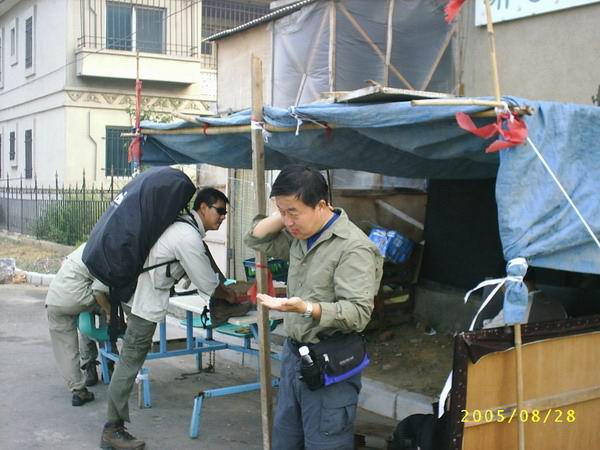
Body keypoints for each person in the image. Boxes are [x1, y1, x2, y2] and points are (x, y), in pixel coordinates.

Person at [244, 165, 383, 450]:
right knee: (286, 440)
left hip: (331, 360)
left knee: (325, 442)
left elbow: (358, 314)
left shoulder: (353, 248)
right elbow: (255, 237)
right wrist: (286, 211)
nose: (287, 221)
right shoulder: (300, 237)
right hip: (294, 357)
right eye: (281, 212)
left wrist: (307, 309)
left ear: (321, 206)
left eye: (293, 212)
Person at [100, 187, 246, 450]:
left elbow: (194, 272)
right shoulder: (187, 236)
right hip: (145, 301)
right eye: (219, 211)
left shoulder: (184, 229)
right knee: (130, 362)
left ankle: (114, 427)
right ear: (203, 207)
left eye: (226, 213)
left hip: (141, 295)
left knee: (130, 359)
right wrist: (230, 295)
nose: (223, 217)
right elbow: (207, 282)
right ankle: (112, 429)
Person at [46, 243, 110, 406]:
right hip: (79, 298)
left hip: (54, 300)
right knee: (106, 302)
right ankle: (109, 363)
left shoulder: (84, 247)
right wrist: (109, 312)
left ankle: (79, 390)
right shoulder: (105, 250)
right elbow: (98, 291)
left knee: (66, 350)